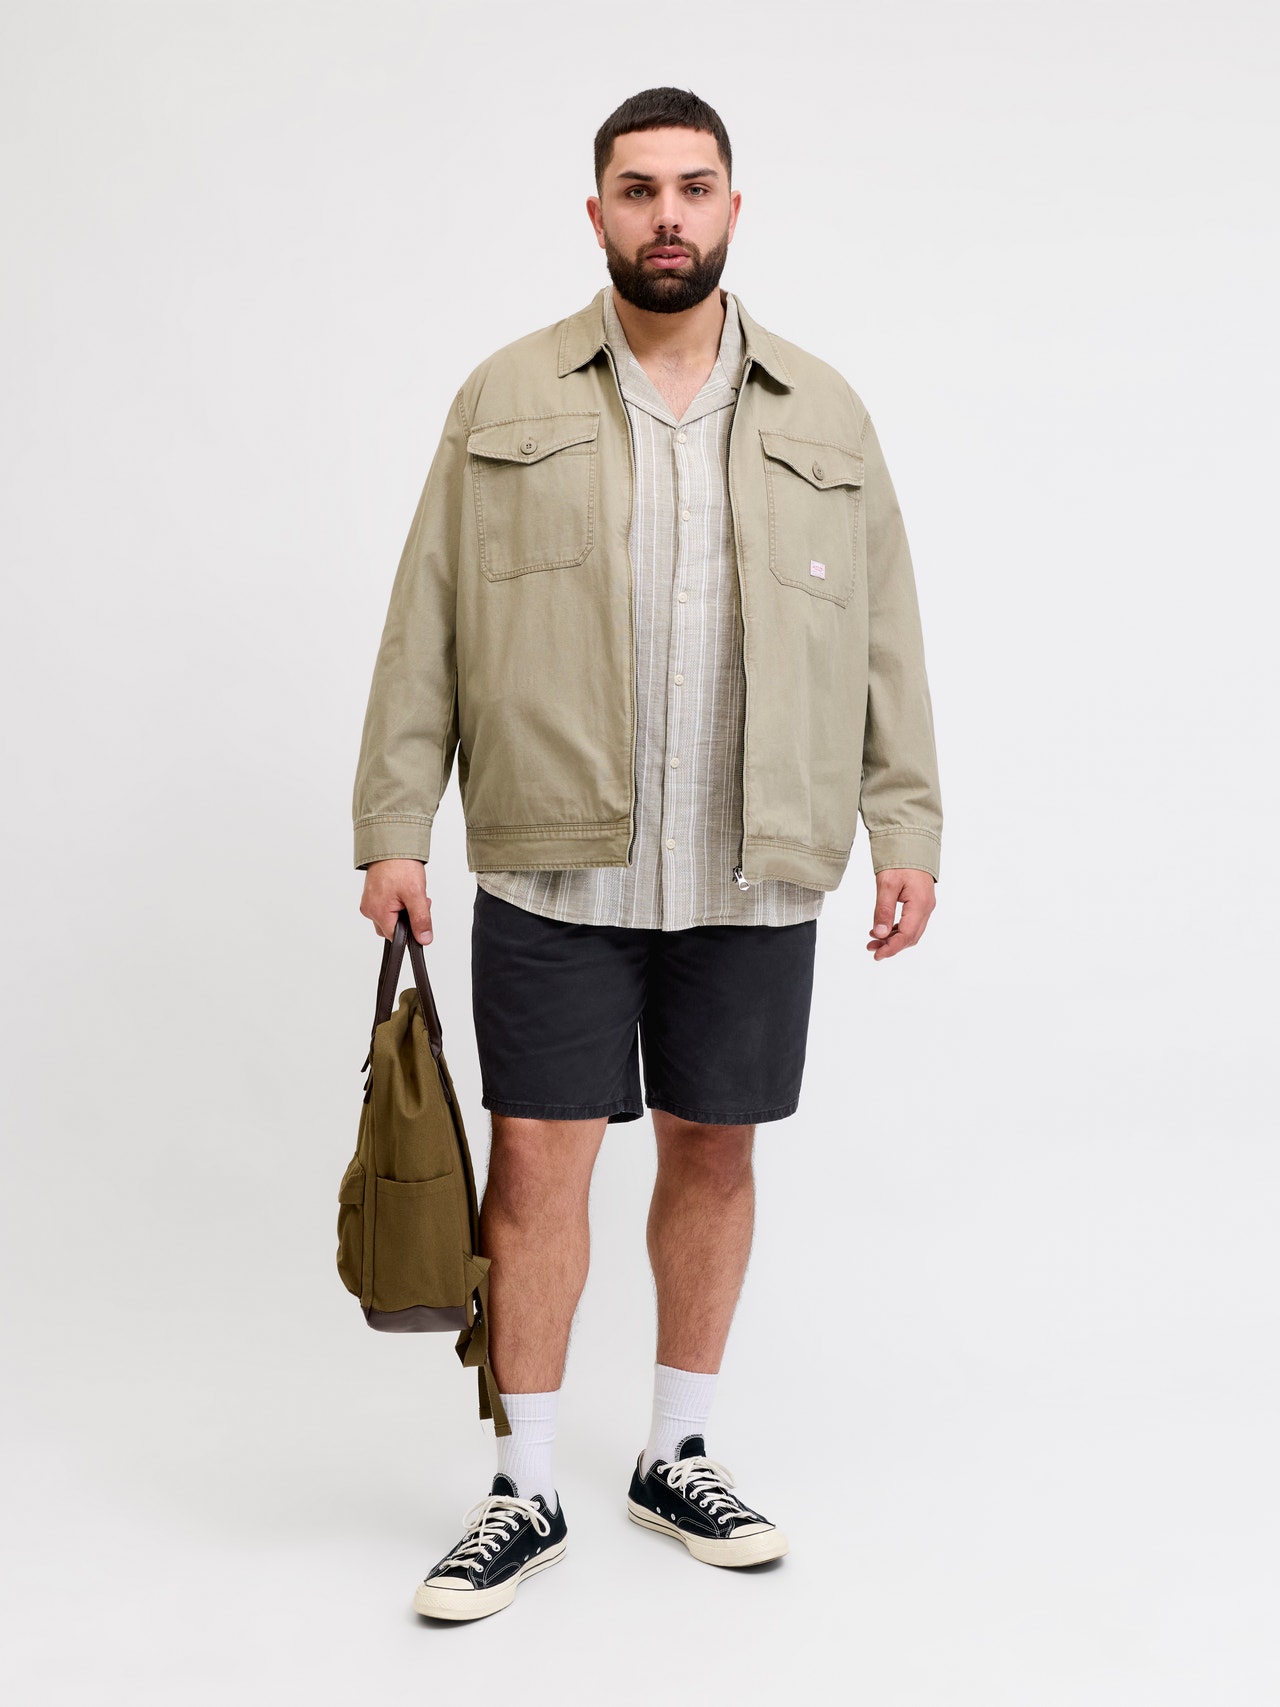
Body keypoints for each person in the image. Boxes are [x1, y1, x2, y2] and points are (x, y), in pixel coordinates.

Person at [352, 85, 943, 1622]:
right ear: (597, 212)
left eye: (693, 187)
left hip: (756, 862)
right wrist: (393, 827)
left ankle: (677, 1452)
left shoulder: (825, 413)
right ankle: (525, 1483)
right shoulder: (504, 398)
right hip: (556, 865)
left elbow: (886, 635)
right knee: (539, 1164)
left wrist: (906, 823)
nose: (666, 214)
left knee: (717, 1150)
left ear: (734, 208)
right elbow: (426, 622)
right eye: (638, 189)